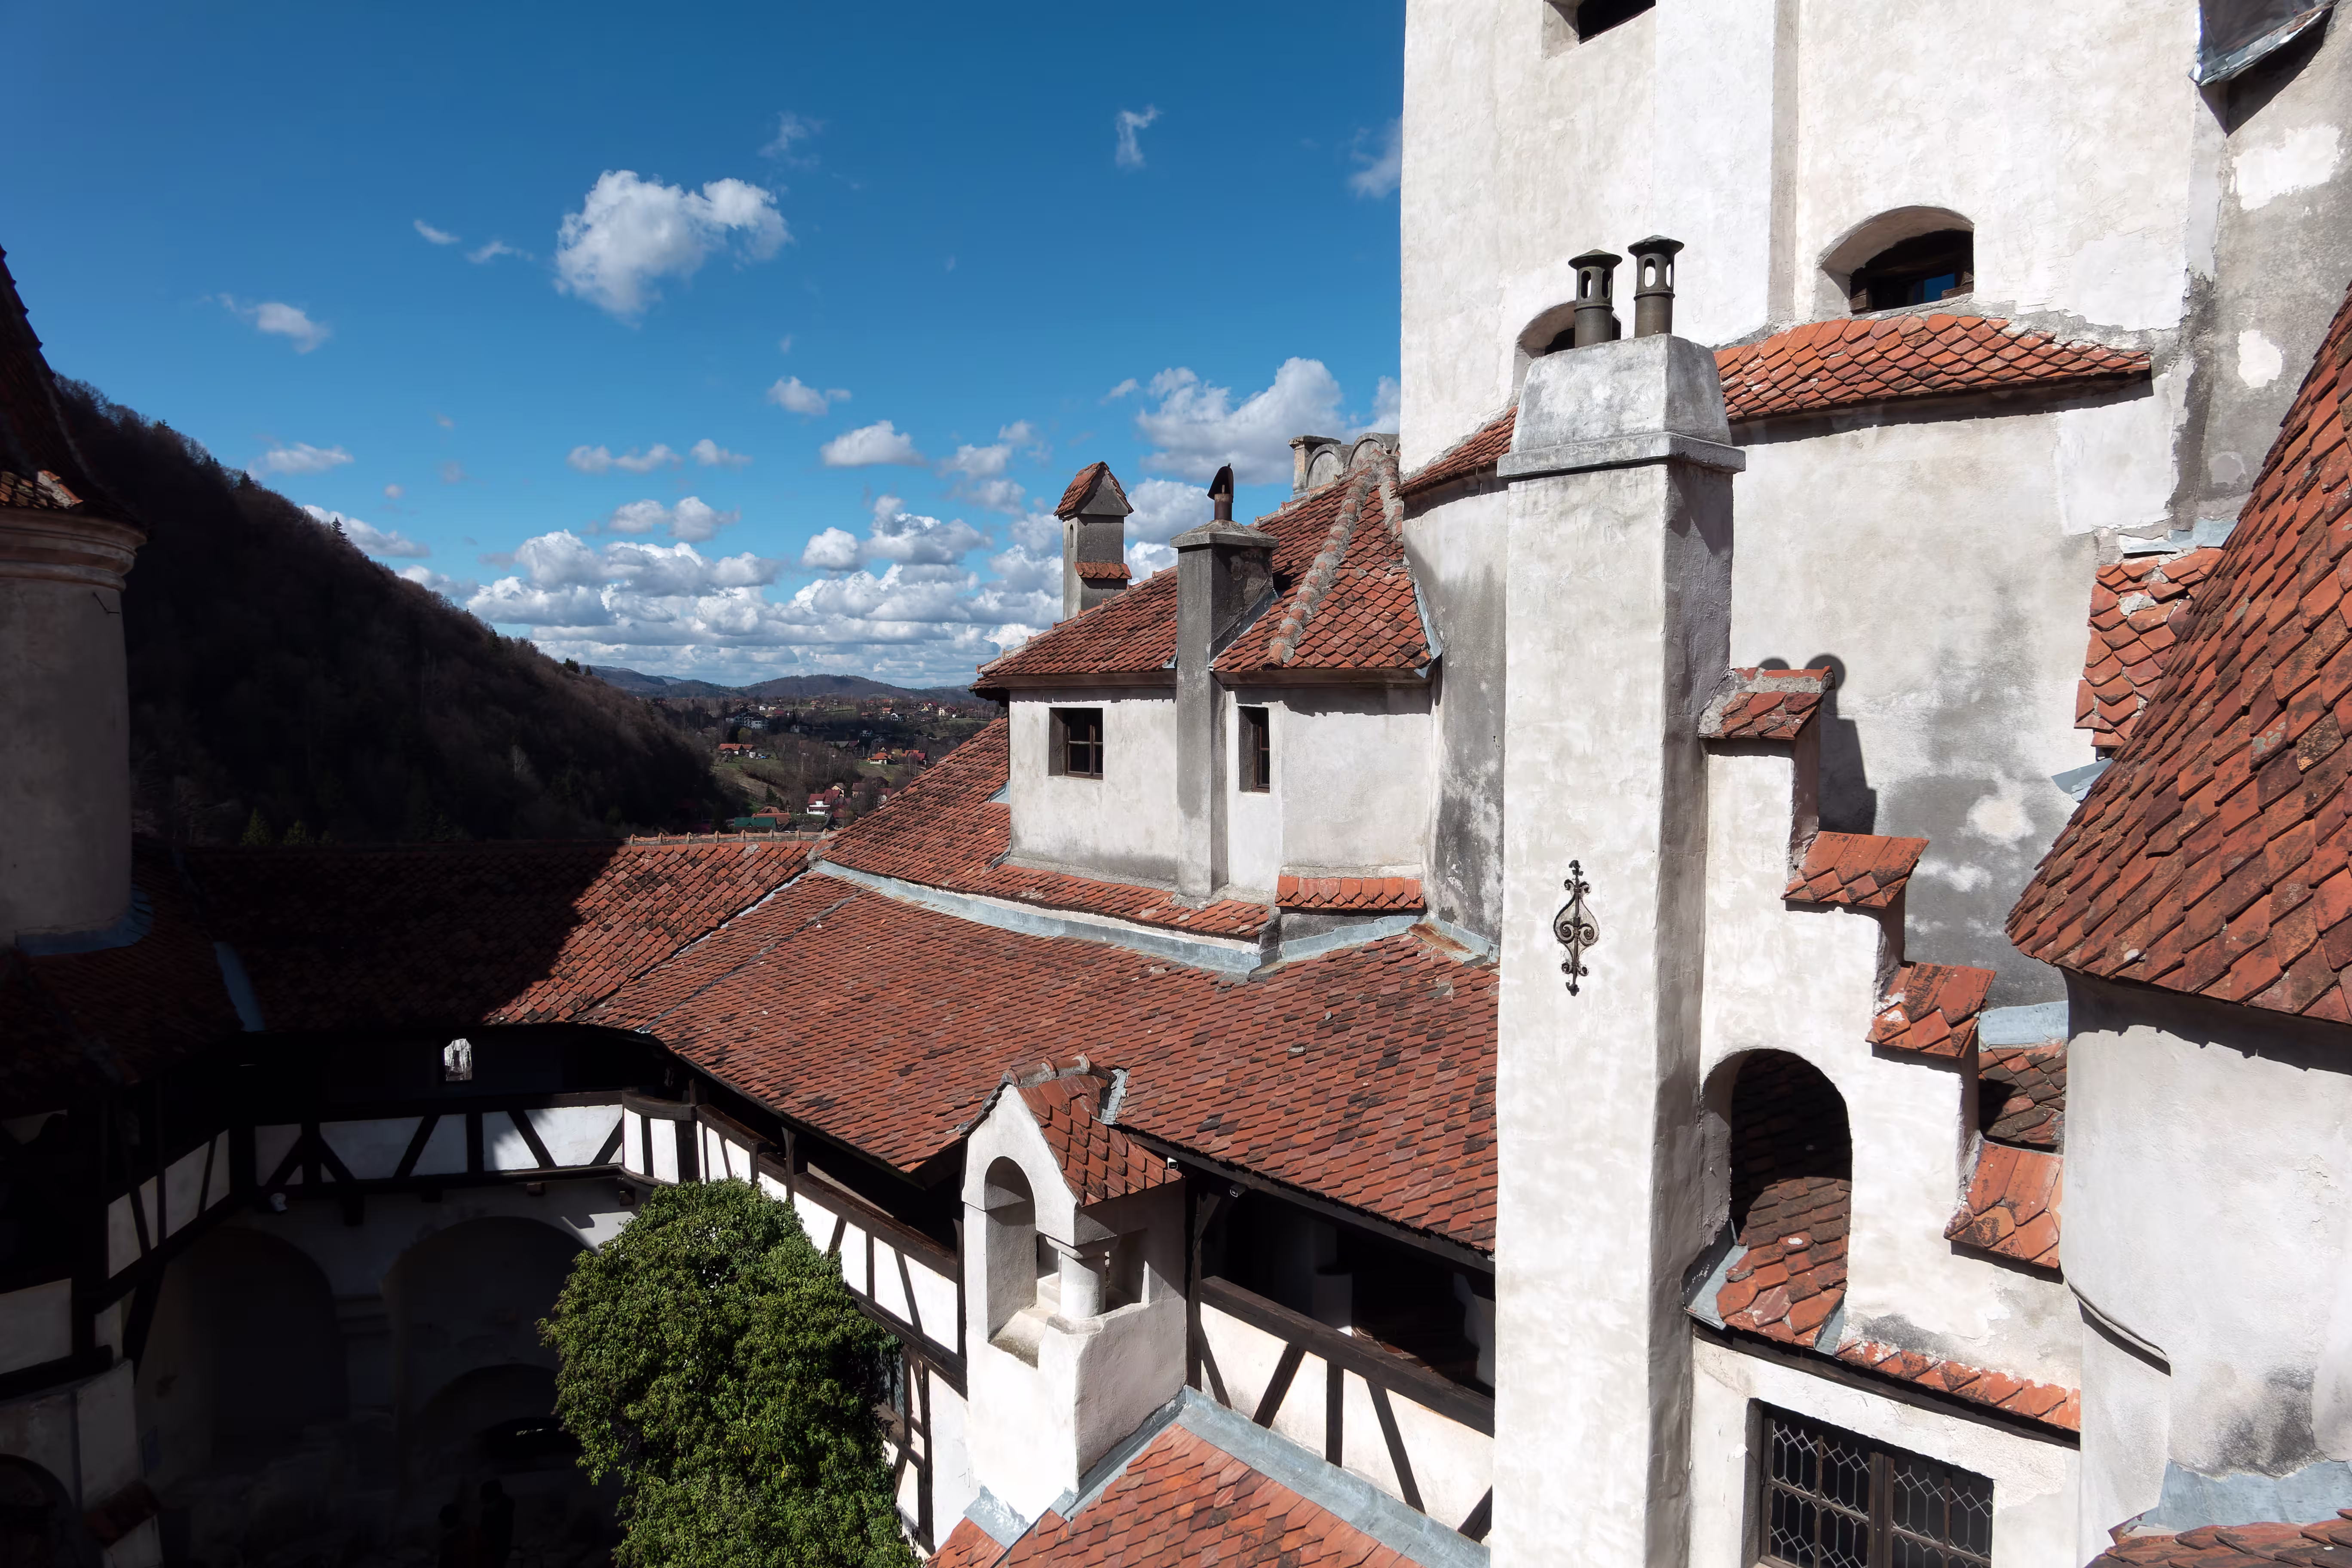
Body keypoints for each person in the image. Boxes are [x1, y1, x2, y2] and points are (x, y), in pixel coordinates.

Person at [478, 1480, 515, 1568]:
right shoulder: (487, 1512)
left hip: (497, 1555)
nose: (486, 1506)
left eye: (488, 1502)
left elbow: (502, 1542)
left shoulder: (505, 1513)